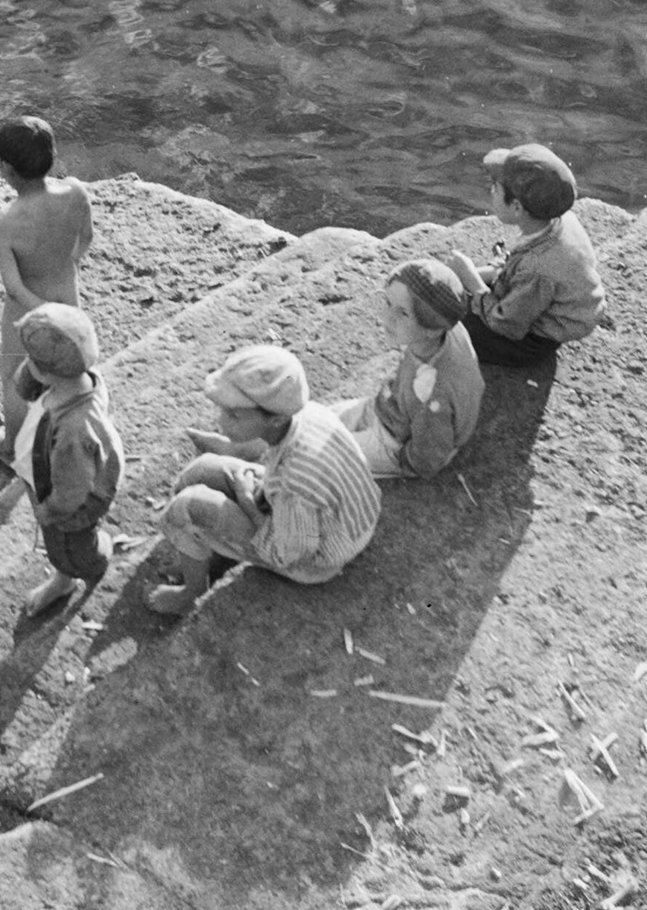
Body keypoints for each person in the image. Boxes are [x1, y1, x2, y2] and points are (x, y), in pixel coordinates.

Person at [147, 345, 382, 617]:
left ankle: (191, 592)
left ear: (276, 419)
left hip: (316, 557)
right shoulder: (306, 414)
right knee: (202, 469)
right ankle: (203, 549)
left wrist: (247, 503)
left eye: (233, 415)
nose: (220, 421)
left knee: (188, 507)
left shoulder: (294, 480)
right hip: (329, 515)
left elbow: (291, 554)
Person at [0, 116, 93, 461]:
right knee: (64, 369)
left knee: (15, 376)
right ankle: (62, 427)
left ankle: (13, 446)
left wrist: (43, 312)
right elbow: (85, 239)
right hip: (69, 297)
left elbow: (13, 286)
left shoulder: (6, 222)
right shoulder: (75, 191)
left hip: (28, 311)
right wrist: (68, 266)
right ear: (53, 157)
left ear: (6, 170)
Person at [442, 143, 606, 368]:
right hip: (536, 302)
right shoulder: (560, 220)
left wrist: (472, 280)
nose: (491, 191)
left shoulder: (538, 268)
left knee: (442, 315)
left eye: (495, 188)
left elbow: (505, 324)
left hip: (530, 341)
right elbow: (518, 260)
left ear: (517, 208)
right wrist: (484, 272)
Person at [6, 303, 124, 616]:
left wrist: (52, 511)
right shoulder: (81, 376)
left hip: (71, 504)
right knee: (64, 540)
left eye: (30, 360)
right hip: (57, 472)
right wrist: (33, 376)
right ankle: (73, 564)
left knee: (68, 549)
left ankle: (82, 567)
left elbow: (73, 489)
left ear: (43, 371)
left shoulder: (73, 433)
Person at [330, 259, 486, 479]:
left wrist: (407, 462)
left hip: (395, 441)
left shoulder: (430, 391)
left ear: (433, 329)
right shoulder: (447, 327)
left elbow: (430, 452)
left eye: (403, 313)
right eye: (387, 302)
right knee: (318, 419)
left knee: (321, 453)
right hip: (393, 406)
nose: (386, 318)